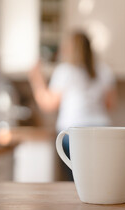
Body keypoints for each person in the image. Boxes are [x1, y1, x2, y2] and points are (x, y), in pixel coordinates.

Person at [28, 31, 117, 179]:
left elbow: (48, 104)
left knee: (77, 180)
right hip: (102, 130)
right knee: (99, 177)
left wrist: (36, 78)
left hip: (72, 133)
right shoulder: (105, 70)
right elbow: (110, 104)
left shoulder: (65, 71)